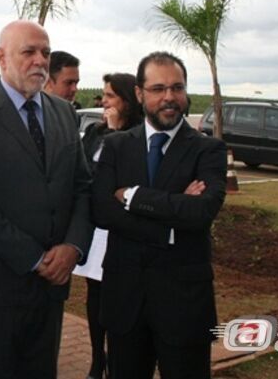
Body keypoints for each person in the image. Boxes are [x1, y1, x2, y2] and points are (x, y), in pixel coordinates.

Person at [0, 20, 92, 379]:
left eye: (45, 52)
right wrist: (33, 258)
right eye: (28, 52)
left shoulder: (62, 112)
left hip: (52, 288)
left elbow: (83, 187)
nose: (40, 61)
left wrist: (73, 247)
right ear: (1, 57)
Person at [92, 52, 227, 379]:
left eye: (177, 88)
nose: (169, 97)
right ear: (139, 94)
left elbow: (201, 212)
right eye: (158, 88)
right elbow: (101, 210)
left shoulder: (208, 150)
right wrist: (169, 225)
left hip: (184, 306)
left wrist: (134, 196)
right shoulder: (116, 147)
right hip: (125, 301)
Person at [73, 72, 142, 379]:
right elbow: (87, 174)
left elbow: (127, 180)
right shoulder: (94, 133)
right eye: (103, 96)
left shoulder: (139, 135)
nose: (104, 102)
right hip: (96, 228)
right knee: (95, 295)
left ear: (127, 101)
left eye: (111, 96)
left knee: (119, 298)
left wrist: (116, 133)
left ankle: (118, 360)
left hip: (123, 228)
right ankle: (96, 358)